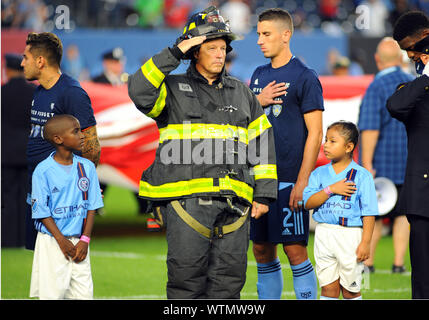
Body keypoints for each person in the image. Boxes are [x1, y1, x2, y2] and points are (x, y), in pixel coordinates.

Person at [127, 6, 278, 299]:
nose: (220, 54)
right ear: (195, 51)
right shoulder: (170, 88)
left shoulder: (242, 92)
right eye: (212, 47)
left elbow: (262, 142)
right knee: (186, 283)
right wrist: (175, 51)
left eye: (223, 48)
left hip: (235, 206)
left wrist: (262, 195)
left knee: (229, 285)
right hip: (186, 205)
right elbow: (138, 90)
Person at [249, 8, 324, 300]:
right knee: (261, 249)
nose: (259, 40)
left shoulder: (305, 76)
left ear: (285, 35)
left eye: (265, 34)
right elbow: (242, 117)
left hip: (289, 180)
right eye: (258, 34)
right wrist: (258, 99)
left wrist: (302, 181)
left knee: (294, 249)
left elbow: (315, 133)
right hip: (258, 181)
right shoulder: (258, 75)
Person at [21, 32, 101, 251]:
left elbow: (91, 146)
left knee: (62, 261)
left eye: (26, 57)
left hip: (63, 198)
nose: (22, 63)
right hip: (37, 188)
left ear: (40, 61)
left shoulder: (72, 93)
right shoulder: (39, 91)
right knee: (41, 257)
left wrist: (87, 187)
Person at [29, 115, 104, 299]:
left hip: (80, 243)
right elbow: (41, 211)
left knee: (84, 295)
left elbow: (92, 205)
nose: (82, 136)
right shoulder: (43, 170)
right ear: (58, 139)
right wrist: (61, 240)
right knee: (52, 295)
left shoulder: (86, 167)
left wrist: (85, 240)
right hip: (52, 242)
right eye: (76, 131)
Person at [303, 121, 378, 300]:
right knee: (328, 289)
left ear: (349, 146)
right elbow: (308, 203)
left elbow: (369, 212)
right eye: (326, 140)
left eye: (332, 141)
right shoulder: (318, 174)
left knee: (351, 291)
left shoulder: (362, 176)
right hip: (324, 234)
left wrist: (366, 242)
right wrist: (331, 189)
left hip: (350, 236)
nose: (325, 145)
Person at [358, 37, 413, 274]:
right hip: (410, 163)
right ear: (401, 59)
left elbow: (370, 128)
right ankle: (399, 264)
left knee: (375, 215)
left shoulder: (377, 87)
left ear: (378, 60)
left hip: (381, 164)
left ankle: (368, 262)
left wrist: (367, 164)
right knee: (403, 215)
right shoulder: (414, 83)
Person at [387, 10, 429, 299]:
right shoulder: (415, 85)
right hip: (423, 195)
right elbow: (397, 107)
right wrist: (427, 76)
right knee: (423, 280)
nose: (409, 57)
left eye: (410, 49)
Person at [1, 53, 36, 247]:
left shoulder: (2, 93)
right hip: (27, 151)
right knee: (27, 196)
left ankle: (7, 239)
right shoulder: (33, 92)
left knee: (6, 197)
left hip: (5, 153)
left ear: (7, 70)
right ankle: (26, 237)